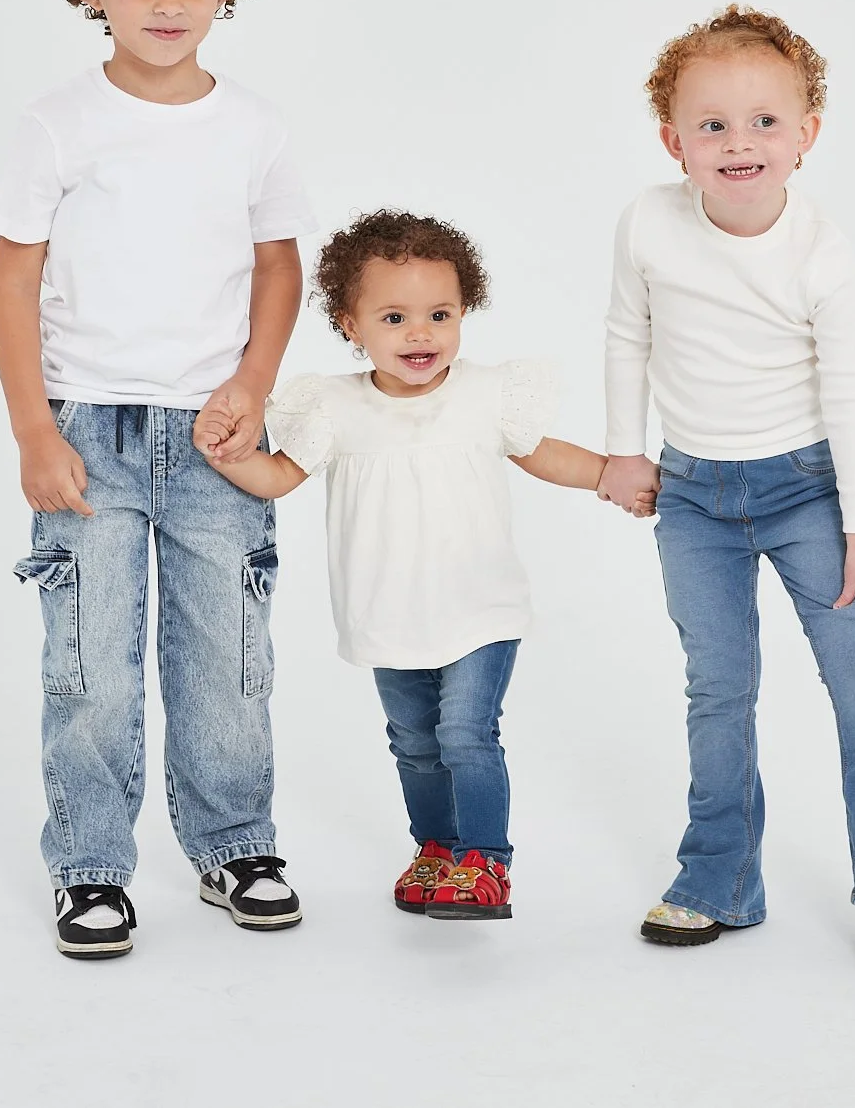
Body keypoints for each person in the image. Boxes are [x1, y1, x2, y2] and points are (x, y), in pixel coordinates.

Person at [0, 0, 316, 959]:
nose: (168, 0)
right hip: (89, 428)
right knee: (87, 659)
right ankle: (90, 867)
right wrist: (35, 426)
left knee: (226, 652)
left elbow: (277, 265)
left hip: (218, 436)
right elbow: (13, 277)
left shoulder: (254, 126)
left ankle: (235, 843)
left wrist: (255, 383)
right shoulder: (59, 123)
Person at [599, 4, 855, 979]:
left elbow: (853, 395)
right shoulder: (649, 222)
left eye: (764, 122)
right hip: (698, 495)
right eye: (711, 124)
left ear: (807, 137)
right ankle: (718, 879)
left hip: (808, 492)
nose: (738, 142)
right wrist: (626, 451)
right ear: (674, 140)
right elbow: (629, 334)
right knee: (719, 691)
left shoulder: (821, 255)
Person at [194, 209, 644, 919]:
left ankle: (486, 863)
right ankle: (436, 848)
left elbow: (544, 453)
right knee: (414, 742)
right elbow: (279, 477)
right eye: (395, 317)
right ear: (350, 323)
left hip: (479, 606)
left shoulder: (485, 393)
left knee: (467, 732)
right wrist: (228, 452)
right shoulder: (335, 406)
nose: (421, 334)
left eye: (440, 314)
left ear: (465, 312)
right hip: (388, 610)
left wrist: (612, 475)